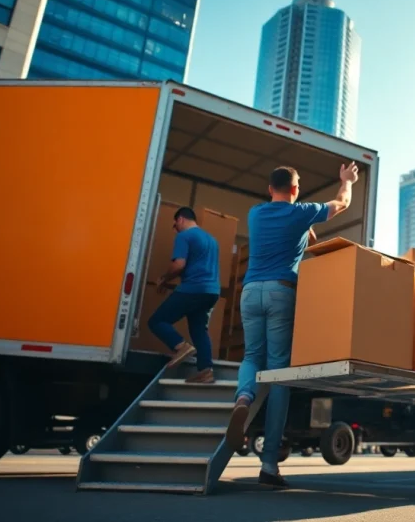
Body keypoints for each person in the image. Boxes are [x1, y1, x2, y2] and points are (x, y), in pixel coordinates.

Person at [224, 162, 359, 489]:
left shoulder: (256, 214)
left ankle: (243, 398)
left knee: (252, 357)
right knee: (280, 372)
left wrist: (304, 227)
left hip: (251, 291)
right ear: (296, 190)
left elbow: (283, 223)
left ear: (270, 189)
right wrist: (347, 181)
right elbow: (342, 203)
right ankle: (270, 464)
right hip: (281, 292)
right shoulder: (302, 212)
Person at [148, 207, 222, 384]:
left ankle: (181, 346)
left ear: (180, 219)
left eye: (175, 225)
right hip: (211, 292)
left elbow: (179, 265)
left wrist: (163, 279)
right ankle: (206, 371)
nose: (175, 229)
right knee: (199, 330)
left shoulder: (184, 236)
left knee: (157, 321)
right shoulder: (212, 240)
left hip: (193, 289)